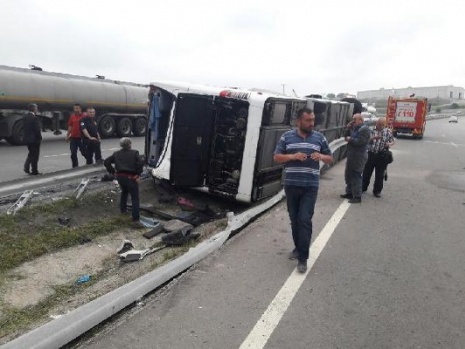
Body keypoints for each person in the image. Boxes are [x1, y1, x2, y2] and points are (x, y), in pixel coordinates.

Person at [273, 107, 333, 273]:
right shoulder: (287, 137)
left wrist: (320, 156)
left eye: (313, 120)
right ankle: (298, 247)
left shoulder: (319, 138)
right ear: (298, 121)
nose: (311, 123)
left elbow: (330, 159)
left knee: (305, 219)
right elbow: (276, 157)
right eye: (308, 120)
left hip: (310, 186)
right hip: (291, 185)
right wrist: (292, 156)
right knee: (294, 220)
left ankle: (303, 258)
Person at [104, 137, 144, 228]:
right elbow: (141, 163)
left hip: (120, 177)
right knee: (135, 197)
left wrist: (113, 171)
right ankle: (135, 220)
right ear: (130, 144)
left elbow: (106, 162)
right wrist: (138, 174)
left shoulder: (117, 154)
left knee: (124, 192)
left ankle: (123, 210)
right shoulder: (134, 153)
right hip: (131, 177)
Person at [340, 113, 371, 203]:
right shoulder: (354, 128)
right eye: (352, 119)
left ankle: (357, 196)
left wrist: (351, 139)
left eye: (355, 119)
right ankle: (349, 192)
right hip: (352, 155)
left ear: (361, 120)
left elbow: (361, 141)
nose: (353, 121)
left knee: (356, 175)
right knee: (348, 174)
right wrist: (347, 128)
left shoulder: (364, 129)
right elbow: (345, 136)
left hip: (359, 156)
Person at [362, 117, 395, 198]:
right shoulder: (370, 130)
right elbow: (364, 140)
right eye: (378, 124)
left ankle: (377, 191)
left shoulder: (388, 132)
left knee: (380, 175)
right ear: (376, 123)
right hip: (371, 154)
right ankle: (363, 187)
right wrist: (372, 138)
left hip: (381, 155)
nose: (379, 126)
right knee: (366, 172)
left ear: (384, 125)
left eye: (382, 125)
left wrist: (389, 144)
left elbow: (393, 141)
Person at [23, 103, 42, 175]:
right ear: (34, 109)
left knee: (31, 154)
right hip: (34, 140)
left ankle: (26, 167)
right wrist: (40, 137)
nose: (37, 109)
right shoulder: (35, 118)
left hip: (27, 139)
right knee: (35, 156)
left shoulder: (25, 117)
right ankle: (34, 171)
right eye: (36, 108)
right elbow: (37, 130)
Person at [66, 103, 85, 168]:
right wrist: (67, 135)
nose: (76, 110)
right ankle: (75, 166)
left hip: (81, 138)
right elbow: (70, 126)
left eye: (77, 108)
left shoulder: (84, 116)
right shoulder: (72, 116)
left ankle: (89, 163)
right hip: (73, 138)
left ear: (80, 109)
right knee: (73, 153)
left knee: (84, 152)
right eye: (75, 108)